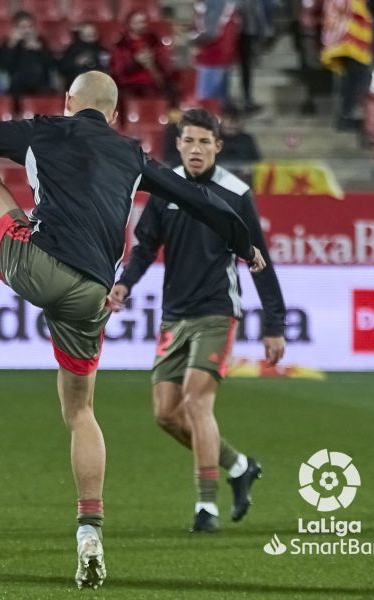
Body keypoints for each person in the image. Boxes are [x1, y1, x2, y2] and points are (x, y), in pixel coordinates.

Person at [0, 71, 264, 589]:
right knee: (81, 411)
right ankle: (89, 533)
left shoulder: (44, 130)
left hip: (39, 262)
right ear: (114, 114)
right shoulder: (133, 157)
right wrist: (242, 240)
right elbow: (198, 199)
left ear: (67, 103)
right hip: (92, 294)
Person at [110, 108, 285, 533]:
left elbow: (258, 259)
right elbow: (146, 246)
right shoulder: (165, 186)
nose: (195, 149)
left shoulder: (235, 193)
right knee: (166, 414)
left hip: (217, 311)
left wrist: (274, 323)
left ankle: (206, 508)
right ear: (179, 145)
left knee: (195, 401)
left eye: (204, 142)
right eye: (188, 141)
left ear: (218, 148)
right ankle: (239, 465)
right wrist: (124, 284)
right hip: (175, 315)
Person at [320, 0, 373, 130]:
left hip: (349, 36)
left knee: (353, 77)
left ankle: (346, 115)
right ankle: (346, 115)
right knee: (356, 78)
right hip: (348, 37)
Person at [110, 10, 175, 101]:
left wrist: (153, 60)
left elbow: (165, 63)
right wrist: (135, 61)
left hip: (155, 84)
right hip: (131, 85)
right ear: (129, 24)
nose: (142, 25)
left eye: (144, 22)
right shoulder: (122, 45)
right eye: (138, 22)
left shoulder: (153, 40)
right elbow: (118, 71)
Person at [191, 0, 240, 107]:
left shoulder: (214, 3)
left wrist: (190, 38)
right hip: (221, 58)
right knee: (219, 104)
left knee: (207, 103)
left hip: (212, 59)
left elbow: (210, 33)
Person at [0, 10, 55, 95]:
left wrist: (39, 49)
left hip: (40, 84)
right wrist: (11, 45)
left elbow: (51, 65)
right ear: (15, 28)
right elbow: (4, 66)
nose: (27, 30)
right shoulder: (9, 43)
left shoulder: (40, 41)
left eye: (30, 26)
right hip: (18, 84)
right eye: (23, 27)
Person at [59, 22, 109, 88]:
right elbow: (63, 67)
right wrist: (76, 62)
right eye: (87, 33)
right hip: (77, 86)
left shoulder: (101, 50)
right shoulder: (73, 49)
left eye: (92, 33)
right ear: (81, 34)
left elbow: (106, 68)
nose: (89, 35)